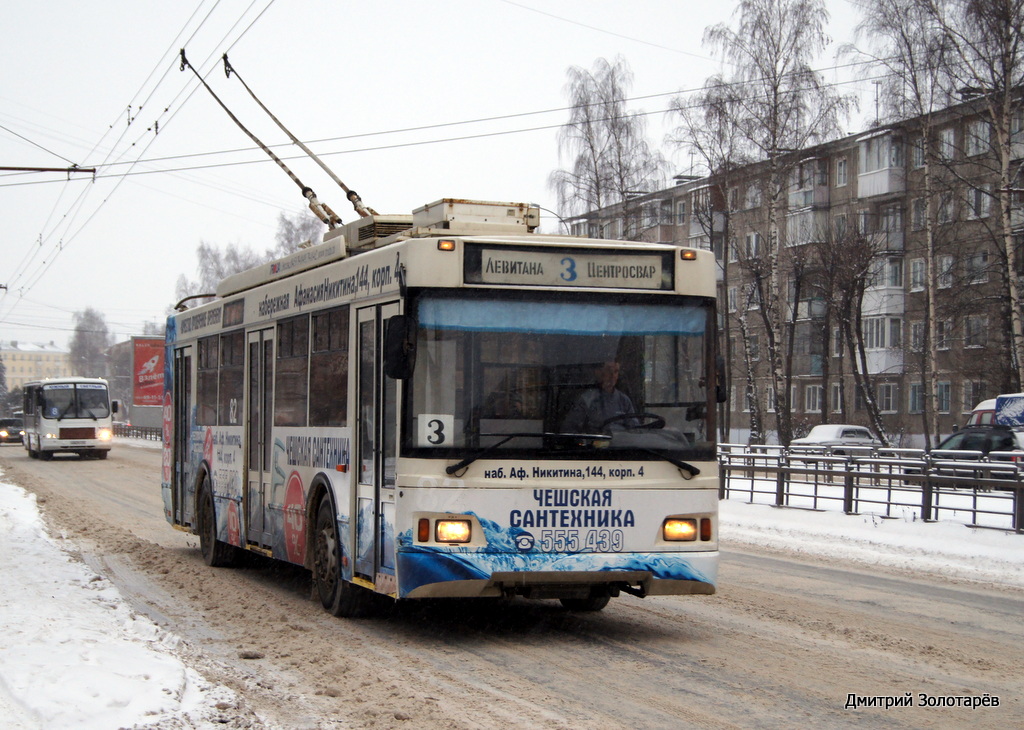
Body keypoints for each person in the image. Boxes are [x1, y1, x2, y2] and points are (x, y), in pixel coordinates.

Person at [562, 361, 639, 433]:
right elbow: (569, 427)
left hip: (620, 445)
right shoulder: (587, 399)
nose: (612, 376)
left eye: (615, 372)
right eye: (609, 371)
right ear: (598, 372)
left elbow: (634, 429)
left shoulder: (624, 400)